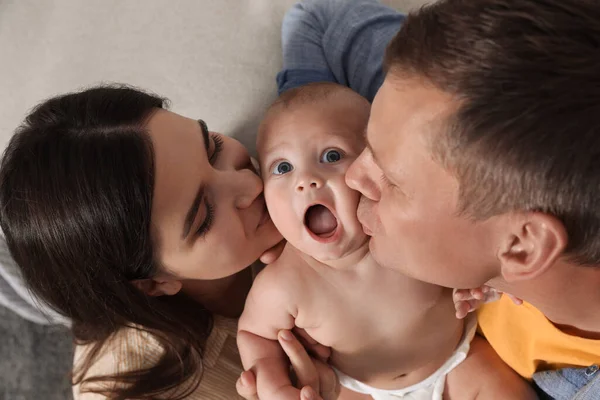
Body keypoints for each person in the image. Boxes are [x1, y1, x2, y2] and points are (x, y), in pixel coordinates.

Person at [240, 0, 600, 399]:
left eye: (390, 179)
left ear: (520, 246)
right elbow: (317, 14)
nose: (354, 178)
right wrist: (303, 134)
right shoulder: (439, 85)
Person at [0, 85, 338, 400]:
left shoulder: (285, 147)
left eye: (213, 148)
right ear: (155, 282)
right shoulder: (139, 388)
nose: (249, 185)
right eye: (204, 217)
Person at [238, 81, 535, 400]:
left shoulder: (409, 231)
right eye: (282, 167)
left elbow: (466, 257)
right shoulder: (282, 285)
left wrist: (481, 284)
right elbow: (254, 335)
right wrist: (272, 380)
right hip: (358, 388)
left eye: (331, 155)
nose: (305, 180)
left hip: (456, 361)